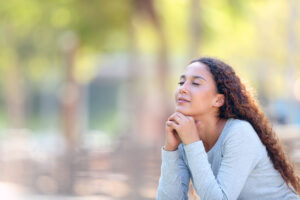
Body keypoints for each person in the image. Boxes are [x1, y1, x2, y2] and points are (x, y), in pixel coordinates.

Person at [156, 57, 300, 200]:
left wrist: (192, 144)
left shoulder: (239, 133)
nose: (182, 89)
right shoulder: (185, 136)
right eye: (181, 82)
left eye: (195, 83)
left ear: (218, 100)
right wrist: (171, 150)